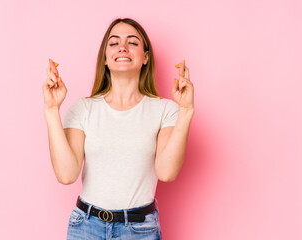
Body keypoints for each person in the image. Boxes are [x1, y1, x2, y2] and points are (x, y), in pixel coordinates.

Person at [42, 17, 194, 240]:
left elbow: (167, 172)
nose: (122, 47)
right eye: (113, 43)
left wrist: (186, 110)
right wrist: (51, 109)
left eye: (132, 42)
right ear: (105, 58)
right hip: (86, 227)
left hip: (140, 231)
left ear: (146, 57)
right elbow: (66, 175)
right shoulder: (83, 109)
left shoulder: (166, 110)